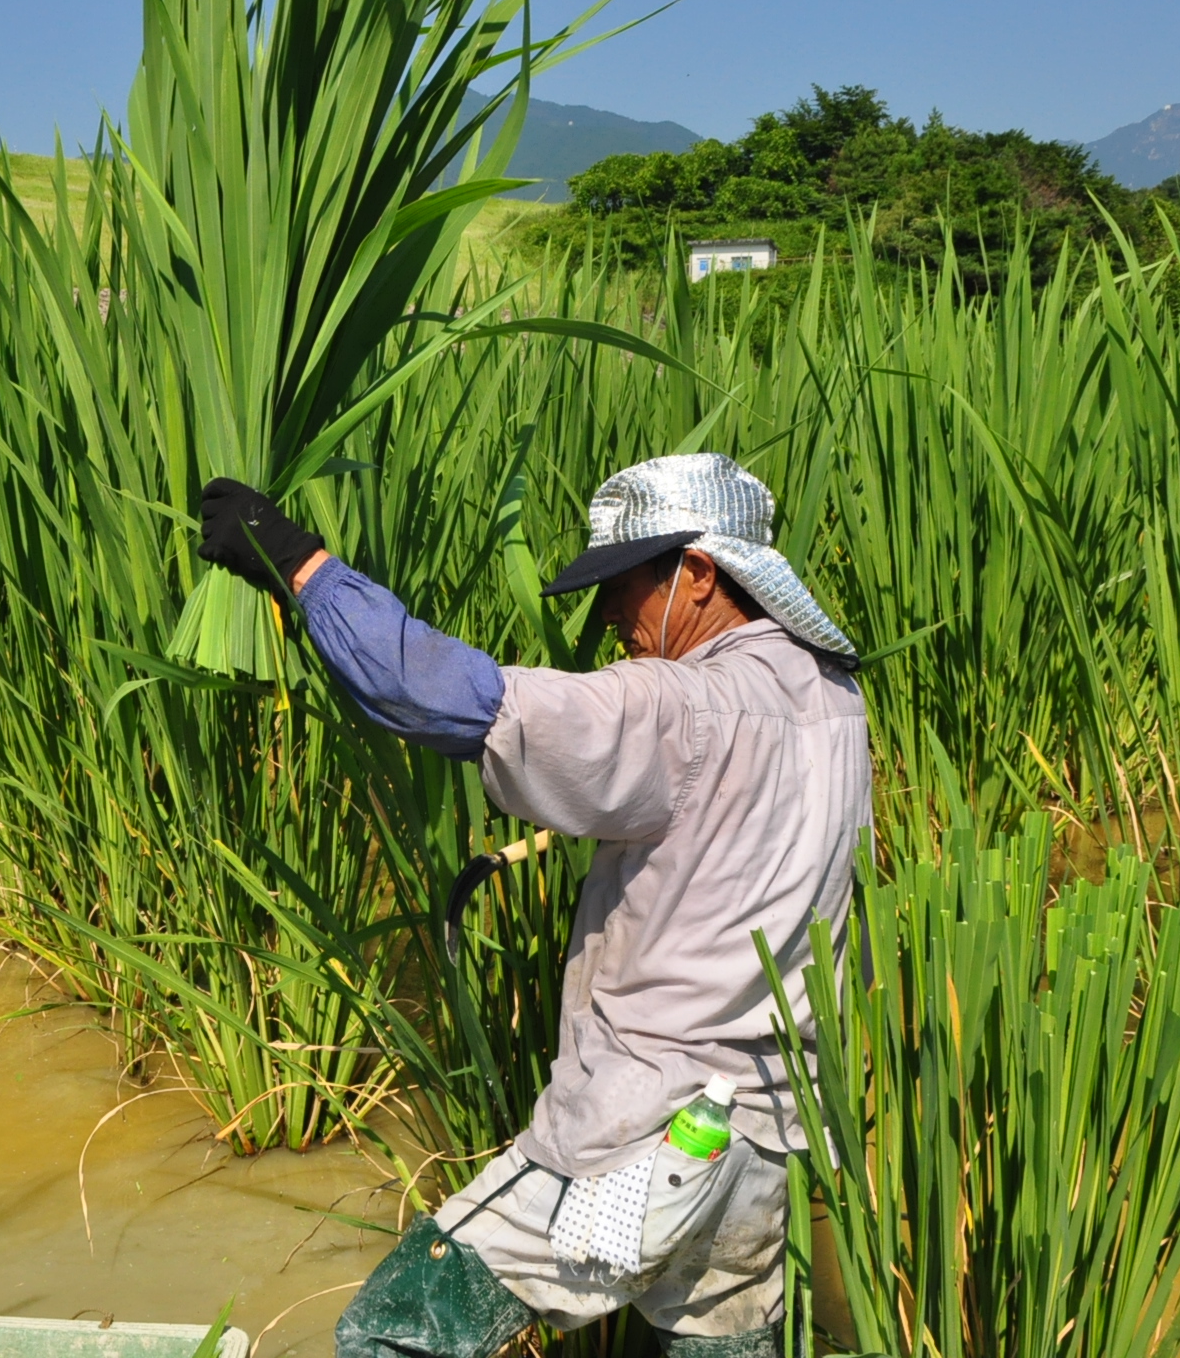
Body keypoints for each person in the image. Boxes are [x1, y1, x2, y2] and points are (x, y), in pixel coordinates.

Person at [196, 452, 872, 1358]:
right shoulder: (835, 700)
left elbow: (434, 694)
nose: (610, 620)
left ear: (700, 574)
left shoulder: (682, 707)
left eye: (623, 588)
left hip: (645, 1139)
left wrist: (294, 560)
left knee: (394, 1334)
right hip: (760, 1143)